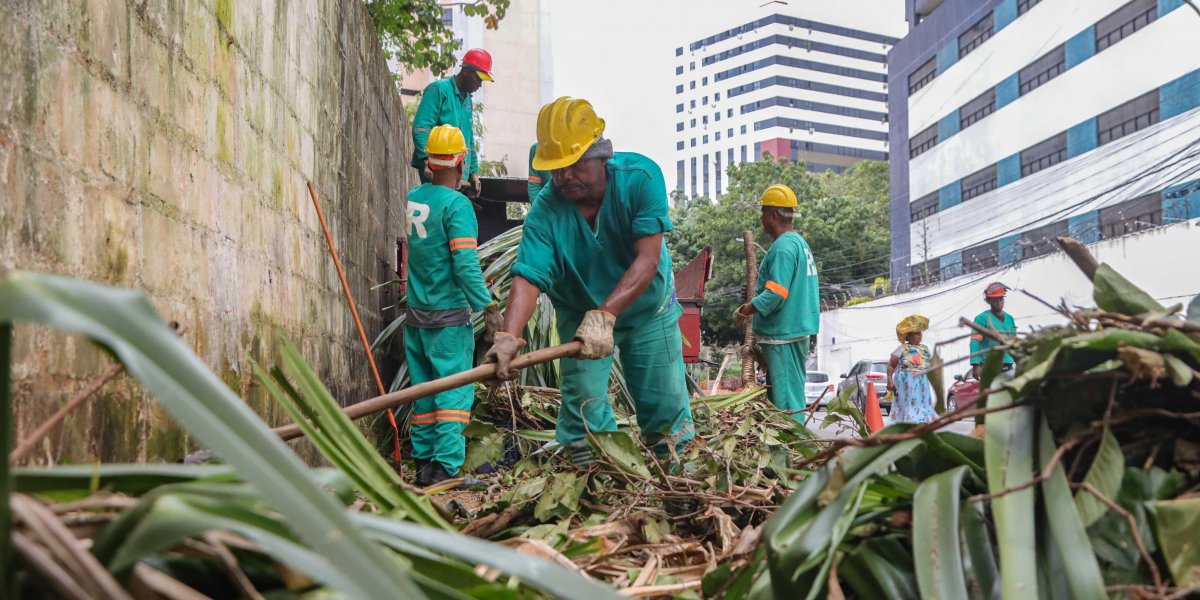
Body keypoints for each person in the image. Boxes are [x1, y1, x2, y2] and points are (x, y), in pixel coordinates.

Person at [483, 96, 695, 465]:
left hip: (648, 312)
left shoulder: (641, 179)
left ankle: (680, 489)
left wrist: (607, 314)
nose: (564, 177)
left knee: (665, 416)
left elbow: (647, 260)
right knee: (583, 413)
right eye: (556, 168)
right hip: (580, 317)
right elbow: (528, 277)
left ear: (602, 154)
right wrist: (509, 337)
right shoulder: (546, 214)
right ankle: (598, 488)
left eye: (575, 164)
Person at [404, 124, 502, 487]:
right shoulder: (458, 206)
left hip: (416, 318)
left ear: (429, 161)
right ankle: (445, 471)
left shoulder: (416, 197)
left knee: (424, 391)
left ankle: (425, 469)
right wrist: (489, 308)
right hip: (447, 320)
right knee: (452, 392)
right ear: (461, 161)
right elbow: (464, 264)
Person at [733, 185, 820, 412]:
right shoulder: (798, 243)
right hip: (791, 331)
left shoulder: (782, 248)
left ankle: (795, 444)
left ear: (772, 215)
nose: (761, 219)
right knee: (780, 399)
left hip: (783, 335)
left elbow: (776, 294)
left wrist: (746, 310)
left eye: (763, 213)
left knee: (788, 403)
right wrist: (752, 296)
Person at [411, 48, 494, 197]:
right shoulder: (439, 90)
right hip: (438, 169)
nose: (480, 85)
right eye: (478, 78)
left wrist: (474, 173)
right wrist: (426, 162)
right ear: (466, 71)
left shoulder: (467, 100)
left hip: (456, 173)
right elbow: (421, 128)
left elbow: (468, 140)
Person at [888, 315, 938, 424]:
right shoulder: (901, 349)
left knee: (922, 404)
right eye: (916, 334)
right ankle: (907, 425)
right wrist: (889, 381)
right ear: (908, 336)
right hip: (906, 383)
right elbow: (891, 366)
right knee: (909, 404)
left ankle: (922, 423)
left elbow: (929, 365)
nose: (920, 336)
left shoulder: (925, 349)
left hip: (922, 383)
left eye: (920, 333)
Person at [969, 282, 1017, 379]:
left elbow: (1014, 342)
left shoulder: (1010, 319)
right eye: (995, 299)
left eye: (1001, 299)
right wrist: (975, 364)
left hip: (1008, 365)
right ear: (989, 300)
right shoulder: (982, 319)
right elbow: (975, 342)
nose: (999, 302)